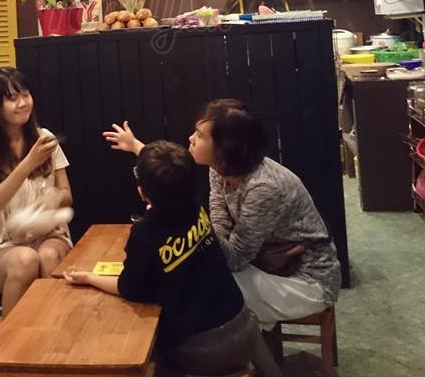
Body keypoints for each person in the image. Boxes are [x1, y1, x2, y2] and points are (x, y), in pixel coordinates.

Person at [104, 99, 341, 330]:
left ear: (225, 147)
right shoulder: (221, 168)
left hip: (306, 280)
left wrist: (186, 211)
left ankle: (226, 349)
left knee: (199, 286)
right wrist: (137, 146)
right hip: (266, 264)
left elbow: (234, 258)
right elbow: (218, 221)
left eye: (199, 135)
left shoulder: (263, 188)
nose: (190, 138)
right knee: (192, 275)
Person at [65, 141, 282, 377]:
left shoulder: (145, 233)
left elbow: (130, 289)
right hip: (245, 323)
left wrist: (89, 278)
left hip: (205, 350)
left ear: (142, 192)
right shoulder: (196, 207)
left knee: (146, 352)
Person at [0, 67, 74, 316]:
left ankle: (55, 326)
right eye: (12, 98)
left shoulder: (44, 138)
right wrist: (28, 164)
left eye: (25, 94)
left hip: (48, 233)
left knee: (48, 256)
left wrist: (55, 197)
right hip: (0, 243)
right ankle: (12, 335)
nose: (23, 103)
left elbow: (67, 194)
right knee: (26, 260)